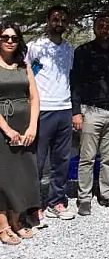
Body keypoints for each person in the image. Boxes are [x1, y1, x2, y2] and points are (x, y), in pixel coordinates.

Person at [71, 12, 109, 215]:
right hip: (90, 111)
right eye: (101, 26)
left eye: (108, 26)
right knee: (87, 158)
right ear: (94, 29)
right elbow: (75, 83)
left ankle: (106, 194)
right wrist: (76, 112)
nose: (105, 30)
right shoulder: (83, 51)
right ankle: (84, 198)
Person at [25, 6, 75, 222]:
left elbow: (68, 76)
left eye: (63, 20)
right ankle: (33, 206)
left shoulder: (69, 48)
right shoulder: (35, 47)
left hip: (64, 108)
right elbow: (26, 74)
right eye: (55, 19)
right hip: (42, 110)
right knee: (37, 161)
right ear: (48, 21)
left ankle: (56, 202)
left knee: (61, 160)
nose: (59, 23)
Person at [0, 24, 41, 245]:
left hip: (24, 128)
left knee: (21, 175)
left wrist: (32, 126)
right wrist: (7, 130)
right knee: (3, 176)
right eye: (5, 37)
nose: (9, 41)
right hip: (2, 128)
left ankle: (16, 221)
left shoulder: (24, 66)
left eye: (14, 38)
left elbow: (34, 97)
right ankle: (3, 226)